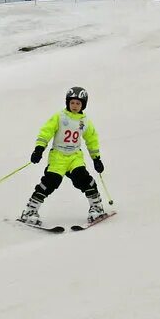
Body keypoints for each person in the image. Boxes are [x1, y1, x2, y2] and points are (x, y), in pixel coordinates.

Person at [19, 87, 107, 225]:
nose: (75, 106)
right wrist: (39, 149)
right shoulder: (59, 117)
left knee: (83, 178)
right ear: (67, 103)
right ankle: (30, 210)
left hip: (74, 157)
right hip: (58, 157)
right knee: (50, 181)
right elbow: (46, 132)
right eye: (72, 103)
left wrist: (96, 159)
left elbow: (92, 140)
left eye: (78, 103)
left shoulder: (85, 122)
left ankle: (96, 207)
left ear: (83, 105)